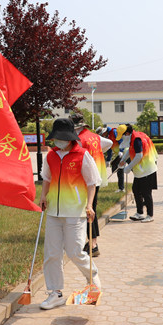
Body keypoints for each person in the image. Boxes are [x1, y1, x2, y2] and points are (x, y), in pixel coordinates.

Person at [39, 117, 101, 310]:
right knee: (52, 253)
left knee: (75, 252)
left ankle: (92, 277)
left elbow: (92, 182)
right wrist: (43, 196)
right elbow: (47, 178)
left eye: (62, 138)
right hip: (54, 212)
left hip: (75, 211)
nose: (59, 141)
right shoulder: (51, 155)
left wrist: (89, 205)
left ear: (70, 137)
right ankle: (55, 293)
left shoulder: (82, 155)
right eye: (57, 138)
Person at [71, 113, 112, 257]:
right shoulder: (95, 137)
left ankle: (93, 244)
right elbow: (109, 143)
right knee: (91, 208)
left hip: (87, 179)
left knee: (88, 210)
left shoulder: (78, 140)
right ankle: (92, 242)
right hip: (97, 176)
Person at [116, 124, 158, 223]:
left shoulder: (137, 139)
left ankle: (150, 215)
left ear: (127, 133)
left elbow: (139, 156)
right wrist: (123, 160)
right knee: (136, 190)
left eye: (122, 136)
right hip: (141, 170)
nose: (122, 138)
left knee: (146, 193)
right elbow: (131, 149)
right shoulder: (134, 137)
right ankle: (140, 213)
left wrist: (129, 167)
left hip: (146, 170)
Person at [98, 126, 125, 192]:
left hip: (125, 152)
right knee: (118, 168)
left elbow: (120, 141)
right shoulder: (108, 137)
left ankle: (122, 188)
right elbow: (109, 149)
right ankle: (121, 188)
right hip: (119, 154)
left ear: (104, 132)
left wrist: (121, 150)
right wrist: (108, 160)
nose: (103, 136)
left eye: (102, 134)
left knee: (127, 168)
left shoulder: (114, 132)